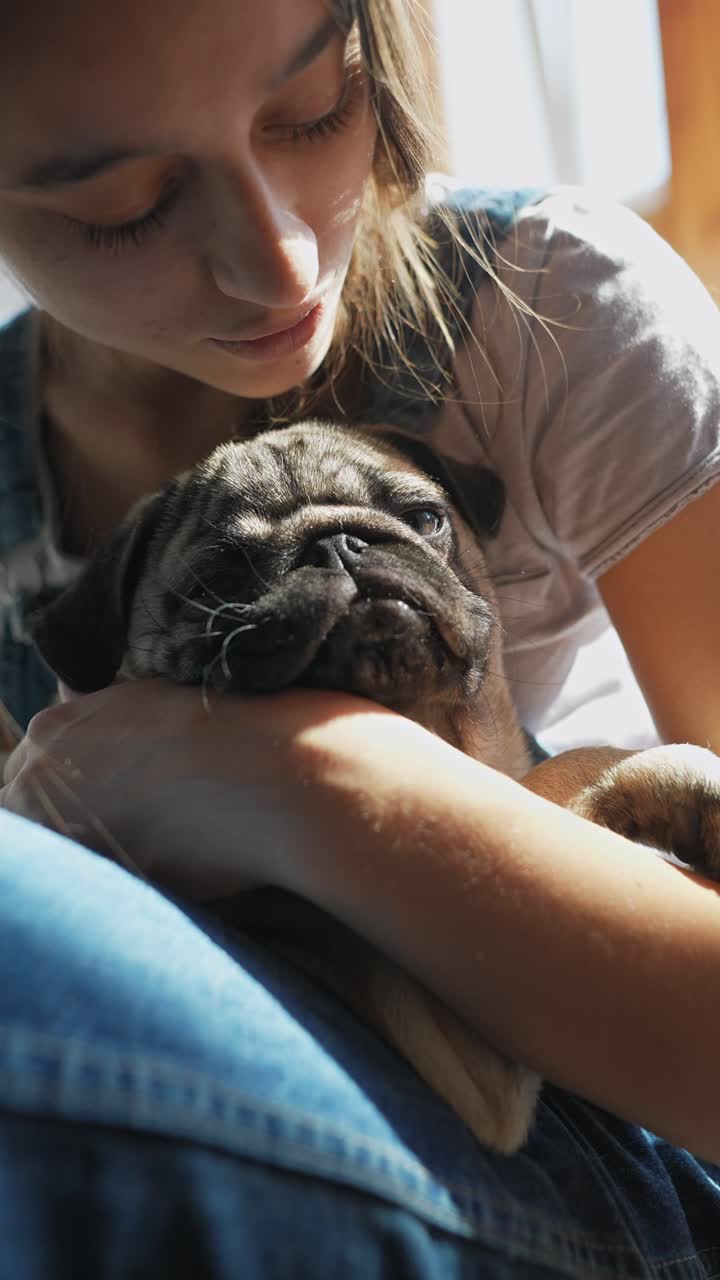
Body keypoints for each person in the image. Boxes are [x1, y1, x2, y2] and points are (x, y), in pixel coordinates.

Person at [1, 0, 720, 1274]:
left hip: (612, 1138)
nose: (280, 264)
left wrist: (302, 779)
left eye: (314, 109)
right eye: (125, 205)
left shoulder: (552, 311)